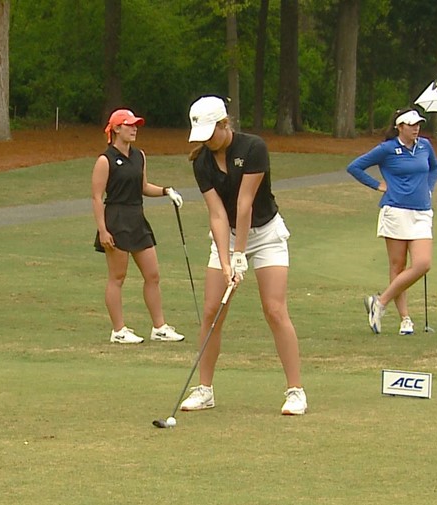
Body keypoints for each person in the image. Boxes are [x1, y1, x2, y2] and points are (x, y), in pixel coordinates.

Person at [178, 95, 306, 416]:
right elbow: (219, 215)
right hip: (227, 235)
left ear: (225, 124)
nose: (207, 140)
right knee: (211, 312)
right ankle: (205, 390)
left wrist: (240, 255)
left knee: (274, 309)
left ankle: (296, 392)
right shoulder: (201, 162)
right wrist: (225, 261)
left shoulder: (253, 148)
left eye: (212, 132)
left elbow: (244, 204)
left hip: (266, 234)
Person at [92, 108, 186, 344]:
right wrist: (103, 230)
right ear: (115, 129)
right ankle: (119, 330)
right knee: (118, 277)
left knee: (153, 275)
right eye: (129, 125)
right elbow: (96, 197)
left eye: (135, 125)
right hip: (116, 218)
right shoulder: (106, 160)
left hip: (137, 217)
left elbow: (143, 187)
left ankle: (159, 327)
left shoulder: (139, 156)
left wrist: (166, 191)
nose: (134, 129)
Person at [346, 108, 437, 335]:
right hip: (396, 211)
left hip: (421, 212)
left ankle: (380, 301)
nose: (416, 127)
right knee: (397, 266)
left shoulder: (425, 146)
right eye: (411, 124)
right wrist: (378, 185)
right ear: (399, 127)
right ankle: (405, 319)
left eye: (418, 124)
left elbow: (434, 168)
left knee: (422, 264)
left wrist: (428, 189)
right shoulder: (387, 149)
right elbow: (355, 167)